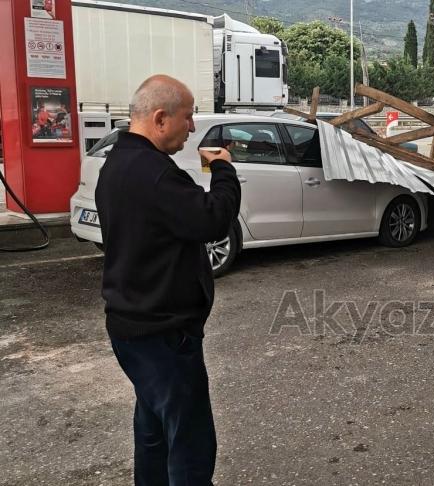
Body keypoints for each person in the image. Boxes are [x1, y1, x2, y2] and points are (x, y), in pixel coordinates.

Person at [95, 74, 241, 484]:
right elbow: (212, 219)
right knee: (190, 442)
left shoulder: (119, 163)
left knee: (154, 430)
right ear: (160, 118)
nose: (192, 127)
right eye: (188, 117)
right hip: (163, 333)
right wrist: (224, 170)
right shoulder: (155, 173)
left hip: (131, 327)